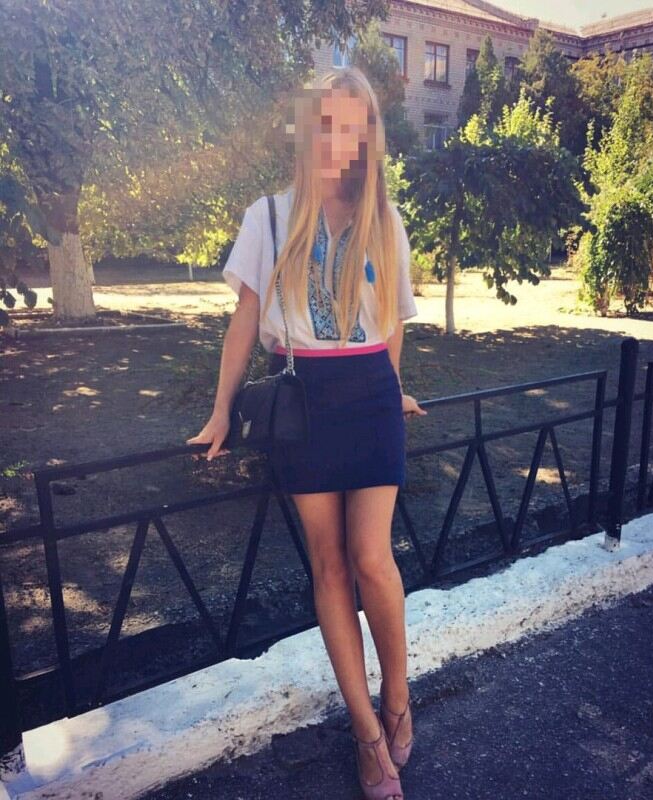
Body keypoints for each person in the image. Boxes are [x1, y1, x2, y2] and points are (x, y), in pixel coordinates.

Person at [187, 65, 427, 800]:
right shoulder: (267, 216)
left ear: (367, 137)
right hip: (303, 400)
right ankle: (366, 734)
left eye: (352, 126)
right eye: (326, 123)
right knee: (329, 568)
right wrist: (222, 410)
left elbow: (392, 324)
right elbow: (245, 322)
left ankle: (397, 695)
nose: (337, 139)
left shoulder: (385, 220)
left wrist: (392, 387)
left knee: (373, 560)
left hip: (371, 396)